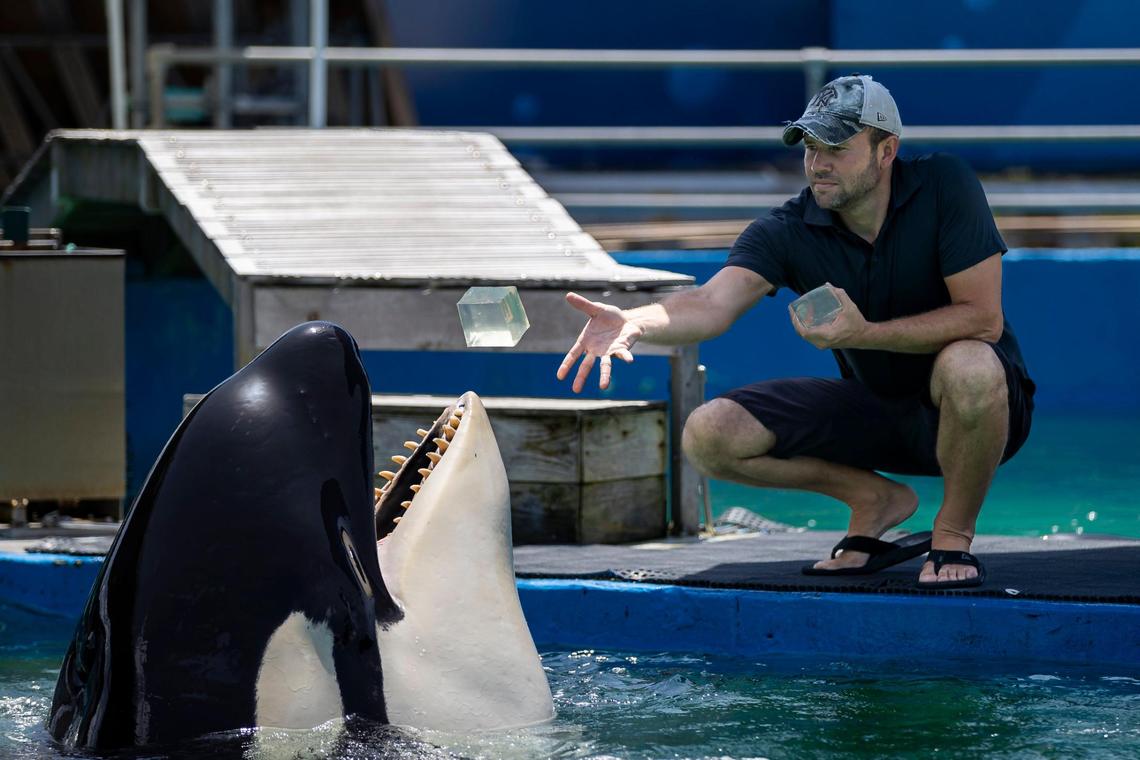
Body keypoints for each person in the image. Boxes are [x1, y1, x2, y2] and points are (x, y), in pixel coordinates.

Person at [555, 74, 1034, 589]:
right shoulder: (785, 229)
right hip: (875, 409)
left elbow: (983, 318)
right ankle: (874, 499)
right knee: (709, 435)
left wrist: (864, 333)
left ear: (886, 150)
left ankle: (952, 535)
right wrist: (635, 321)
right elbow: (712, 302)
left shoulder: (944, 183)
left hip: (980, 410)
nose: (817, 162)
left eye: (835, 146)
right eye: (809, 145)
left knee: (969, 362)